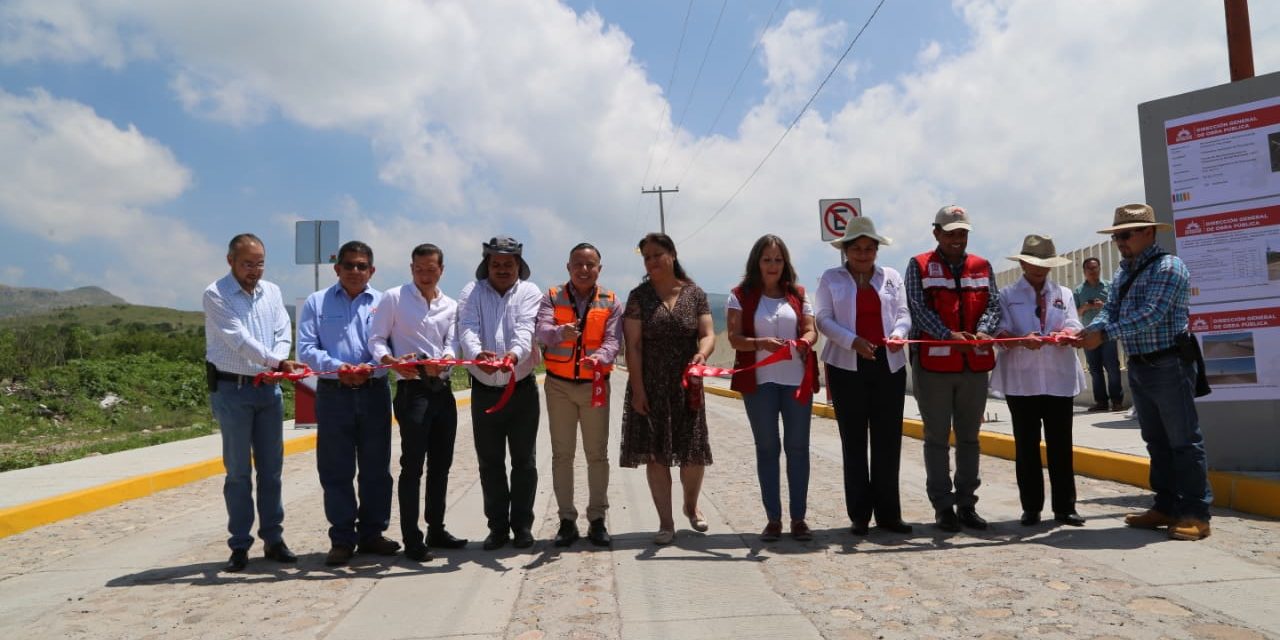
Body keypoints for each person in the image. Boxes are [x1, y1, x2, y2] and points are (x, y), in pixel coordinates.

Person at [1079, 204, 1212, 541]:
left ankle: (1196, 512)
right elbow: (1110, 311)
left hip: (1168, 363)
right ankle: (1165, 506)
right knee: (1156, 442)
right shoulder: (1124, 273)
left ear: (1149, 232)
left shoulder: (1169, 267)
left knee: (1184, 442)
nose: (1119, 242)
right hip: (1140, 364)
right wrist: (1085, 332)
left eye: (1125, 235)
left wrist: (1104, 334)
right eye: (1116, 236)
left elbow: (1151, 314)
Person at [203, 233, 301, 572]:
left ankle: (273, 539)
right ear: (230, 261)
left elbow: (283, 329)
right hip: (233, 391)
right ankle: (240, 544)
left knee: (271, 470)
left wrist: (278, 360)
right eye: (247, 264)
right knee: (239, 472)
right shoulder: (216, 295)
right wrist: (277, 363)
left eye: (259, 263)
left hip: (268, 391)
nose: (254, 270)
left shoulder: (272, 292)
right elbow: (237, 339)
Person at [297, 240, 399, 566]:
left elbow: (390, 344)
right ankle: (342, 538)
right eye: (349, 265)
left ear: (372, 270)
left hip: (373, 392)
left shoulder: (385, 302)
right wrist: (337, 369)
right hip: (332, 395)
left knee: (376, 469)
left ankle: (372, 534)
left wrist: (371, 367)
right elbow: (307, 348)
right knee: (336, 468)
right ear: (337, 268)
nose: (355, 271)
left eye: (362, 266)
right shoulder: (317, 302)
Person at [368, 243, 469, 562]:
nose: (425, 274)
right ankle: (412, 537)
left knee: (442, 465)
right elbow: (376, 338)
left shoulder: (451, 305)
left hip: (442, 390)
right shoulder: (394, 298)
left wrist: (447, 361)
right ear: (411, 268)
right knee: (412, 467)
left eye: (431, 269)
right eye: (419, 268)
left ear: (441, 270)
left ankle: (436, 528)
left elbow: (453, 343)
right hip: (412, 391)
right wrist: (391, 361)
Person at [904, 205, 1001, 533]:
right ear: (936, 233)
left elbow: (993, 304)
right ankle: (943, 505)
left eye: (962, 232)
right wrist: (948, 335)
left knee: (970, 438)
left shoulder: (982, 266)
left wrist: (986, 329)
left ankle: (966, 502)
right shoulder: (919, 265)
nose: (957, 238)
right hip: (934, 366)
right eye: (950, 233)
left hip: (973, 365)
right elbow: (917, 309)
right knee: (936, 437)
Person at [816, 218, 914, 536]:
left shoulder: (891, 277)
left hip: (888, 364)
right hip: (847, 365)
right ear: (845, 250)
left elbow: (903, 313)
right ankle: (859, 514)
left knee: (888, 440)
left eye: (869, 248)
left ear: (876, 250)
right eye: (856, 248)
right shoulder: (832, 279)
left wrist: (899, 333)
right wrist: (851, 341)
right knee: (854, 442)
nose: (863, 254)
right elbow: (823, 319)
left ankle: (889, 513)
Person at [620, 232, 715, 545]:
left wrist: (703, 353)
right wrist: (638, 388)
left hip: (687, 384)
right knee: (656, 455)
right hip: (651, 384)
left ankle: (691, 505)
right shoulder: (638, 297)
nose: (651, 261)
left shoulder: (695, 292)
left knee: (693, 452)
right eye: (646, 257)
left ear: (672, 255)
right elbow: (632, 346)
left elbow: (708, 333)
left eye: (657, 254)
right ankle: (666, 522)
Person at [991, 235, 1087, 528]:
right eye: (1033, 263)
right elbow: (1001, 331)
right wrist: (1022, 340)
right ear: (1022, 263)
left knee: (1061, 444)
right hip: (1022, 380)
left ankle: (1065, 507)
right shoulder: (1007, 295)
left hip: (1058, 377)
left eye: (1044, 265)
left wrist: (1067, 334)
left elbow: (1073, 323)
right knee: (1026, 446)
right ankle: (1031, 507)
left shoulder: (1064, 293)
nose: (1039, 270)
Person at [728, 234, 819, 542]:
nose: (772, 265)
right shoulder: (739, 295)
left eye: (778, 260)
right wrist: (760, 343)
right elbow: (735, 338)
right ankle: (773, 518)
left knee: (798, 448)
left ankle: (799, 518)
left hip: (796, 381)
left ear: (785, 263)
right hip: (759, 383)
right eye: (767, 259)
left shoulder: (799, 294)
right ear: (757, 262)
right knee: (767, 449)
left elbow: (809, 328)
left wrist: (806, 340)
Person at [458, 236, 544, 550]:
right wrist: (477, 353)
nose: (503, 269)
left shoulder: (530, 292)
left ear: (518, 265)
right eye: (496, 264)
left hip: (521, 389)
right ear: (487, 264)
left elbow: (526, 329)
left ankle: (522, 526)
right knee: (489, 463)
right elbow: (466, 327)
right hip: (483, 390)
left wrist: (512, 356)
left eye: (509, 264)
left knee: (524, 462)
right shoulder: (471, 292)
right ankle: (497, 528)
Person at [535, 243, 622, 548]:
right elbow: (542, 332)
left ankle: (597, 519)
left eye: (590, 265)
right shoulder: (551, 296)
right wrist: (561, 332)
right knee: (562, 455)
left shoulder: (610, 301)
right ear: (568, 267)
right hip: (559, 386)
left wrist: (600, 357)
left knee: (597, 455)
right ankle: (566, 520)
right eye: (578, 264)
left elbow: (614, 341)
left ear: (600, 268)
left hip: (594, 385)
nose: (584, 270)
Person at [1074, 257, 1124, 412]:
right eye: (1089, 268)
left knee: (1112, 367)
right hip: (1089, 334)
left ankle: (1117, 401)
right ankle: (1101, 402)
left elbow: (1117, 307)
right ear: (1084, 271)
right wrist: (1086, 307)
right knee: (1095, 369)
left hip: (1107, 333)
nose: (1093, 271)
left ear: (1100, 268)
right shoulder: (1079, 291)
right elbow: (1075, 313)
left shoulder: (1109, 286)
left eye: (1095, 268)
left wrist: (1103, 306)